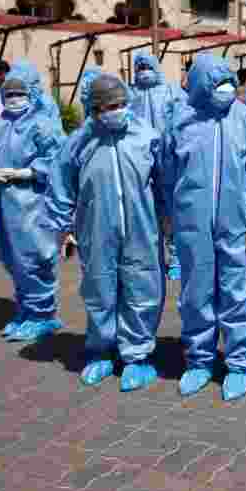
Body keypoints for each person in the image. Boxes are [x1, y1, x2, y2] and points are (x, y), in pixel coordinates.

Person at [44, 74, 166, 392]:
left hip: (141, 229)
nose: (118, 111)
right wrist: (63, 228)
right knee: (100, 290)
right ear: (95, 109)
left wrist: (168, 222)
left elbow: (164, 181)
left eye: (122, 104)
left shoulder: (146, 136)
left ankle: (137, 356)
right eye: (110, 106)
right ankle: (100, 351)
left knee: (141, 288)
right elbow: (60, 185)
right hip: (96, 230)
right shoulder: (79, 143)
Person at [166, 54, 246, 399]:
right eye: (217, 84)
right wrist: (170, 215)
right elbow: (167, 171)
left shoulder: (245, 119)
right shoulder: (181, 121)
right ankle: (199, 360)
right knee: (196, 293)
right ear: (200, 86)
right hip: (192, 223)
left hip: (236, 223)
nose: (226, 89)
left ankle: (241, 364)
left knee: (237, 293)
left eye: (229, 82)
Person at [0, 60, 64, 342]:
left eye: (20, 93)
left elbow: (57, 160)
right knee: (14, 259)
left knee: (34, 258)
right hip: (5, 204)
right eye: (9, 93)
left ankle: (43, 315)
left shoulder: (43, 125)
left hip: (33, 203)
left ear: (32, 93)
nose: (13, 98)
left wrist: (24, 172)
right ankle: (26, 310)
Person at [130, 52, 186, 281]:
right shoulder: (131, 94)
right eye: (140, 68)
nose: (144, 72)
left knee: (171, 211)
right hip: (140, 161)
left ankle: (176, 257)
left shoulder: (171, 92)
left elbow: (185, 120)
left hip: (168, 160)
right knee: (145, 213)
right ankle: (152, 259)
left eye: (148, 67)